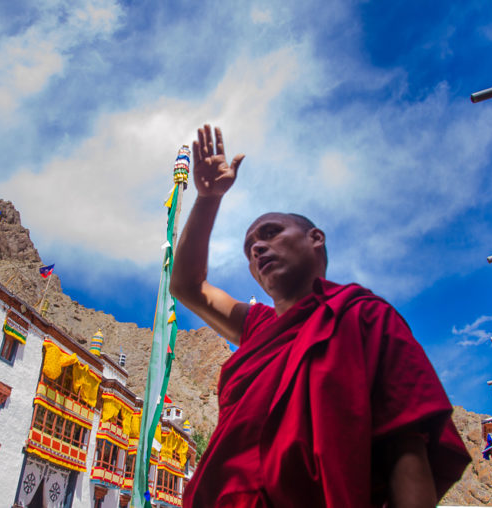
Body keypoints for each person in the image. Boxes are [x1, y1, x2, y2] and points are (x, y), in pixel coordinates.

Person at [170, 125, 471, 508]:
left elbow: (405, 446)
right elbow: (186, 286)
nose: (258, 248)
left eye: (271, 232)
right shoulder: (257, 327)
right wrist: (207, 199)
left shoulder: (364, 317)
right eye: (249, 248)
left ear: (316, 238)